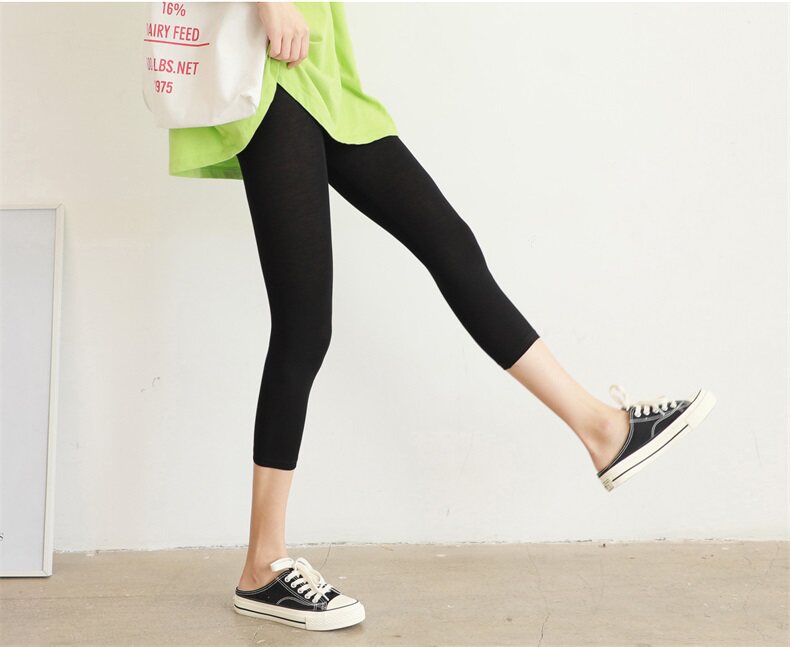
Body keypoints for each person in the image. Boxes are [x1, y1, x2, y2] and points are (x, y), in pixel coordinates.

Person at [168, 2, 717, 632]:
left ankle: (603, 430)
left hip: (319, 66)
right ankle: (262, 566)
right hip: (270, 68)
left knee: (450, 244)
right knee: (304, 325)